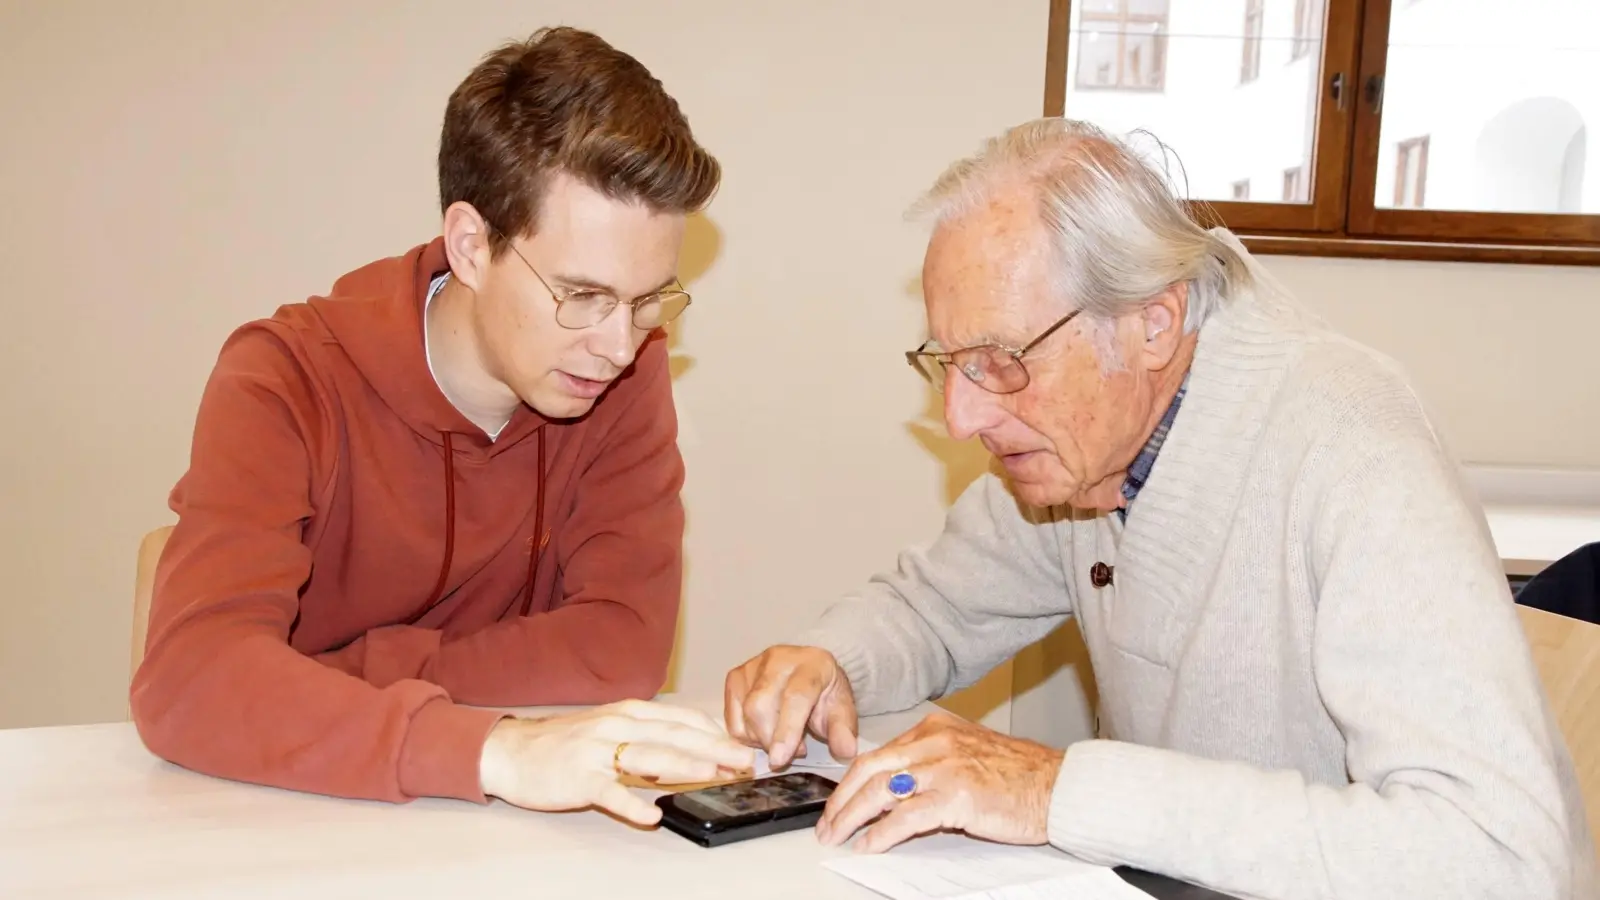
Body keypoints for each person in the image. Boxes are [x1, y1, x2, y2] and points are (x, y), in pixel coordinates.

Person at [725, 118, 1597, 899]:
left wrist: (1056, 791)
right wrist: (833, 661)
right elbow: (935, 609)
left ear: (1152, 324)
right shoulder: (1082, 451)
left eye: (997, 360)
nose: (961, 417)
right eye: (947, 362)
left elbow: (1497, 860)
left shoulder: (1350, 442)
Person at [131, 26, 754, 828]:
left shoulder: (626, 373)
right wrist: (494, 748)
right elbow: (191, 681)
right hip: (281, 817)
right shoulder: (282, 379)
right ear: (470, 245)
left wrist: (326, 673)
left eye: (647, 299)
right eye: (583, 296)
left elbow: (621, 648)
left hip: (490, 836)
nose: (620, 343)